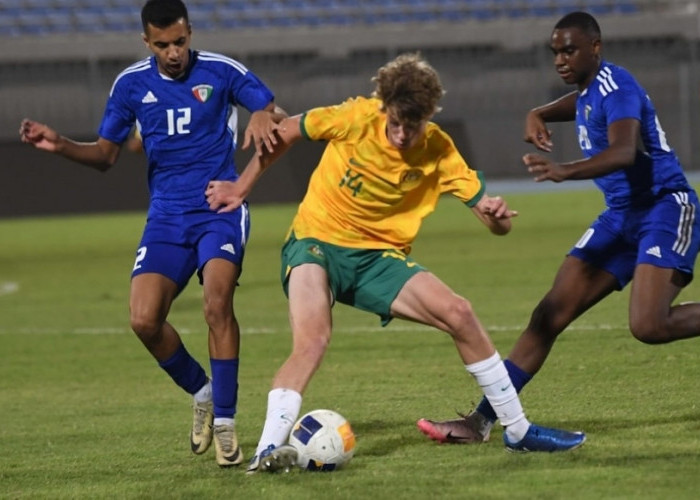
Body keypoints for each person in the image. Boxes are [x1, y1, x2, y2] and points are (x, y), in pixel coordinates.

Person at [205, 52, 586, 473]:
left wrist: (496, 219)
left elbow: (495, 225)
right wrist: (240, 188)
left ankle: (517, 430)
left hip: (377, 259)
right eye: (396, 123)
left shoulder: (440, 150)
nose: (403, 134)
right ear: (384, 108)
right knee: (313, 340)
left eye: (413, 125)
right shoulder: (355, 117)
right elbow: (289, 130)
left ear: (429, 115)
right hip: (315, 242)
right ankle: (266, 451)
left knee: (459, 312)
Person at [19, 0, 286, 467]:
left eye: (180, 42)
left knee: (216, 302)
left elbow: (268, 106)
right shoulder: (130, 85)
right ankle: (201, 392)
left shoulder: (221, 70)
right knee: (143, 320)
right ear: (147, 42)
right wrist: (59, 144)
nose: (174, 52)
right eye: (162, 45)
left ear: (189, 33)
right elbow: (106, 155)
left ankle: (225, 421)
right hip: (165, 216)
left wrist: (264, 112)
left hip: (217, 207)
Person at [418, 11, 700, 445]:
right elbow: (579, 103)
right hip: (621, 217)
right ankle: (480, 422)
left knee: (649, 325)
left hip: (665, 208)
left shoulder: (617, 87)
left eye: (569, 50)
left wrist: (564, 170)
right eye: (555, 52)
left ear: (596, 48)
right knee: (549, 314)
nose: (560, 60)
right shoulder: (589, 92)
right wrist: (539, 112)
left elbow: (624, 151)